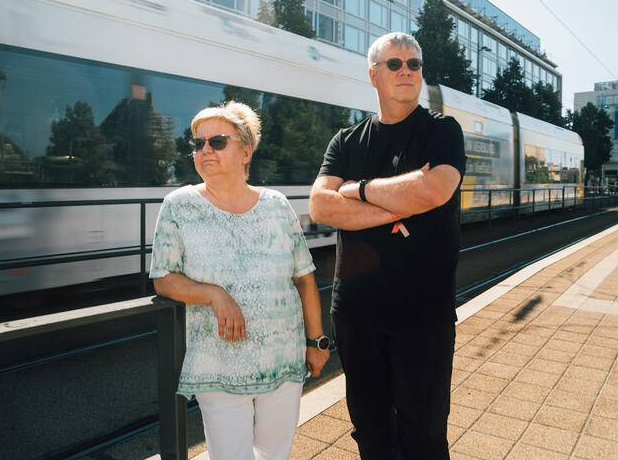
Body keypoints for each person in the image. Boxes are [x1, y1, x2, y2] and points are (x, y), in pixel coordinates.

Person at [309, 32, 466, 460]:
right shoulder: (345, 141)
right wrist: (400, 204)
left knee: (424, 436)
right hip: (357, 313)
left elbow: (435, 191)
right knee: (371, 432)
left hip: (423, 314)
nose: (406, 72)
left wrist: (357, 190)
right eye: (395, 64)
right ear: (373, 75)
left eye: (414, 64)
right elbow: (321, 206)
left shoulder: (442, 131)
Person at [150, 101, 330, 460]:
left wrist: (317, 342)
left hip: (283, 360)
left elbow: (305, 279)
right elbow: (164, 278)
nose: (204, 151)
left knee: (273, 454)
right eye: (198, 144)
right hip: (219, 364)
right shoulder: (178, 206)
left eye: (217, 142)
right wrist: (213, 294)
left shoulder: (277, 206)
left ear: (246, 152)